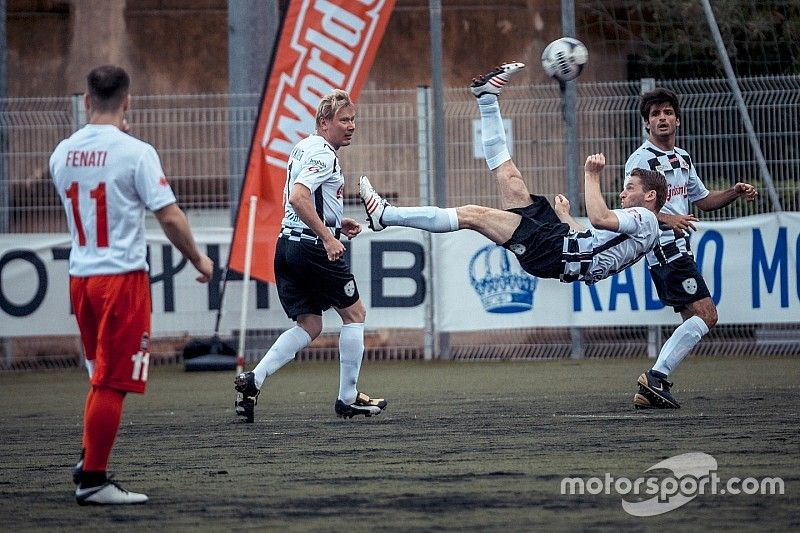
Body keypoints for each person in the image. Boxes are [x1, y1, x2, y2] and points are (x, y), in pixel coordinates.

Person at [50, 65, 214, 505]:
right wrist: (198, 258)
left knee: (98, 374)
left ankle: (89, 462)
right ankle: (94, 481)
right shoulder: (135, 152)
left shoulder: (61, 153)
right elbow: (169, 214)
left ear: (86, 101)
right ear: (127, 102)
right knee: (113, 380)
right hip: (120, 279)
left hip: (81, 278)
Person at [359, 62, 668, 289]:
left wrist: (591, 175)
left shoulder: (646, 218)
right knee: (511, 179)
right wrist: (564, 215)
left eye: (630, 187)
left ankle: (386, 215)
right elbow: (592, 238)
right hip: (560, 243)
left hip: (554, 252)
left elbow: (599, 218)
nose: (624, 193)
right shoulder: (641, 223)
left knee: (473, 214)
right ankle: (487, 97)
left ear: (650, 196)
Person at [233, 89, 386, 423]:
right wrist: (328, 236)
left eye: (353, 119)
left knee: (311, 324)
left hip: (287, 246)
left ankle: (253, 380)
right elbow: (299, 198)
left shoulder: (304, 146)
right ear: (324, 122)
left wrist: (334, 221)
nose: (351, 126)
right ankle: (348, 399)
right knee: (355, 314)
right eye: (344, 120)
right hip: (310, 248)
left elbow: (305, 199)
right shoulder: (324, 154)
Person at [626, 88, 758, 409]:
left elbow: (703, 200)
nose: (662, 118)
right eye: (655, 114)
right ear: (646, 124)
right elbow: (632, 205)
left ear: (677, 120)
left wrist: (734, 192)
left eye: (667, 113)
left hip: (680, 249)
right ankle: (655, 377)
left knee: (694, 321)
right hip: (664, 249)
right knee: (708, 316)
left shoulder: (682, 158)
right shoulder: (641, 160)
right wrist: (669, 220)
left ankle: (653, 385)